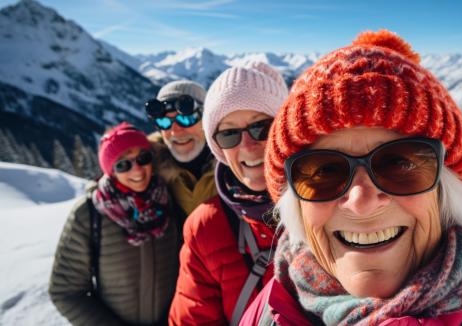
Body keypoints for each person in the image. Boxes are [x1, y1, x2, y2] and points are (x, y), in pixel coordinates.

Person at [240, 30, 462, 326]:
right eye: (324, 171)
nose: (361, 200)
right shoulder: (269, 310)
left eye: (400, 165)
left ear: (449, 193)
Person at [168, 62, 289, 325]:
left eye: (261, 127)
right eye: (229, 134)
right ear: (218, 147)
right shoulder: (206, 227)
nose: (247, 146)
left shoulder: (332, 205)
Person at [49, 122, 181, 325]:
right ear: (110, 171)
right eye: (123, 164)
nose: (137, 170)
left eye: (143, 158)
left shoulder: (168, 199)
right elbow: (65, 291)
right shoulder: (89, 214)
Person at [145, 80, 217, 220]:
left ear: (208, 120)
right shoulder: (150, 168)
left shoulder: (234, 166)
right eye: (164, 122)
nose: (175, 132)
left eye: (186, 119)